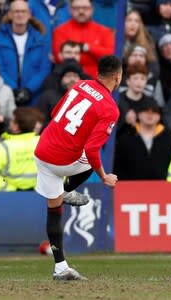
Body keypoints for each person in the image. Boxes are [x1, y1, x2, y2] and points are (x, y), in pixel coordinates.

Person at [34, 55, 121, 280]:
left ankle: (60, 267)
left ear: (97, 72)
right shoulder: (110, 108)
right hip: (63, 161)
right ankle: (67, 190)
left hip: (42, 151)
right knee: (92, 157)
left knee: (54, 211)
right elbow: (93, 151)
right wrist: (105, 177)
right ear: (118, 77)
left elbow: (55, 114)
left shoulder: (80, 84)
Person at [0, 0, 51, 106]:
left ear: (29, 14)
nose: (20, 14)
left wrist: (29, 89)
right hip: (6, 96)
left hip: (34, 97)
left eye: (23, 11)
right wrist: (14, 90)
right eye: (16, 11)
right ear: (10, 14)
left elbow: (44, 69)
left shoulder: (40, 39)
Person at [0, 107, 43, 191]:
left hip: (9, 199)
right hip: (40, 198)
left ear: (16, 127)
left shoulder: (3, 146)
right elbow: (58, 169)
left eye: (12, 120)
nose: (10, 123)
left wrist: (8, 187)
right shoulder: (43, 142)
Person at [114, 98, 171, 180]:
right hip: (130, 187)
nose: (150, 114)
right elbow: (118, 166)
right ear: (138, 114)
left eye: (154, 111)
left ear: (159, 116)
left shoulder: (169, 138)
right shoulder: (126, 138)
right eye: (145, 110)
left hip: (163, 187)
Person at [52, 0, 115, 78]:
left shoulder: (105, 32)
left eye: (85, 8)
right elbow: (59, 57)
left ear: (92, 9)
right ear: (70, 10)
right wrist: (94, 58)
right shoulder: (60, 31)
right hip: (69, 82)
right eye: (77, 8)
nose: (81, 11)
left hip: (98, 82)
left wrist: (88, 47)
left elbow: (110, 56)